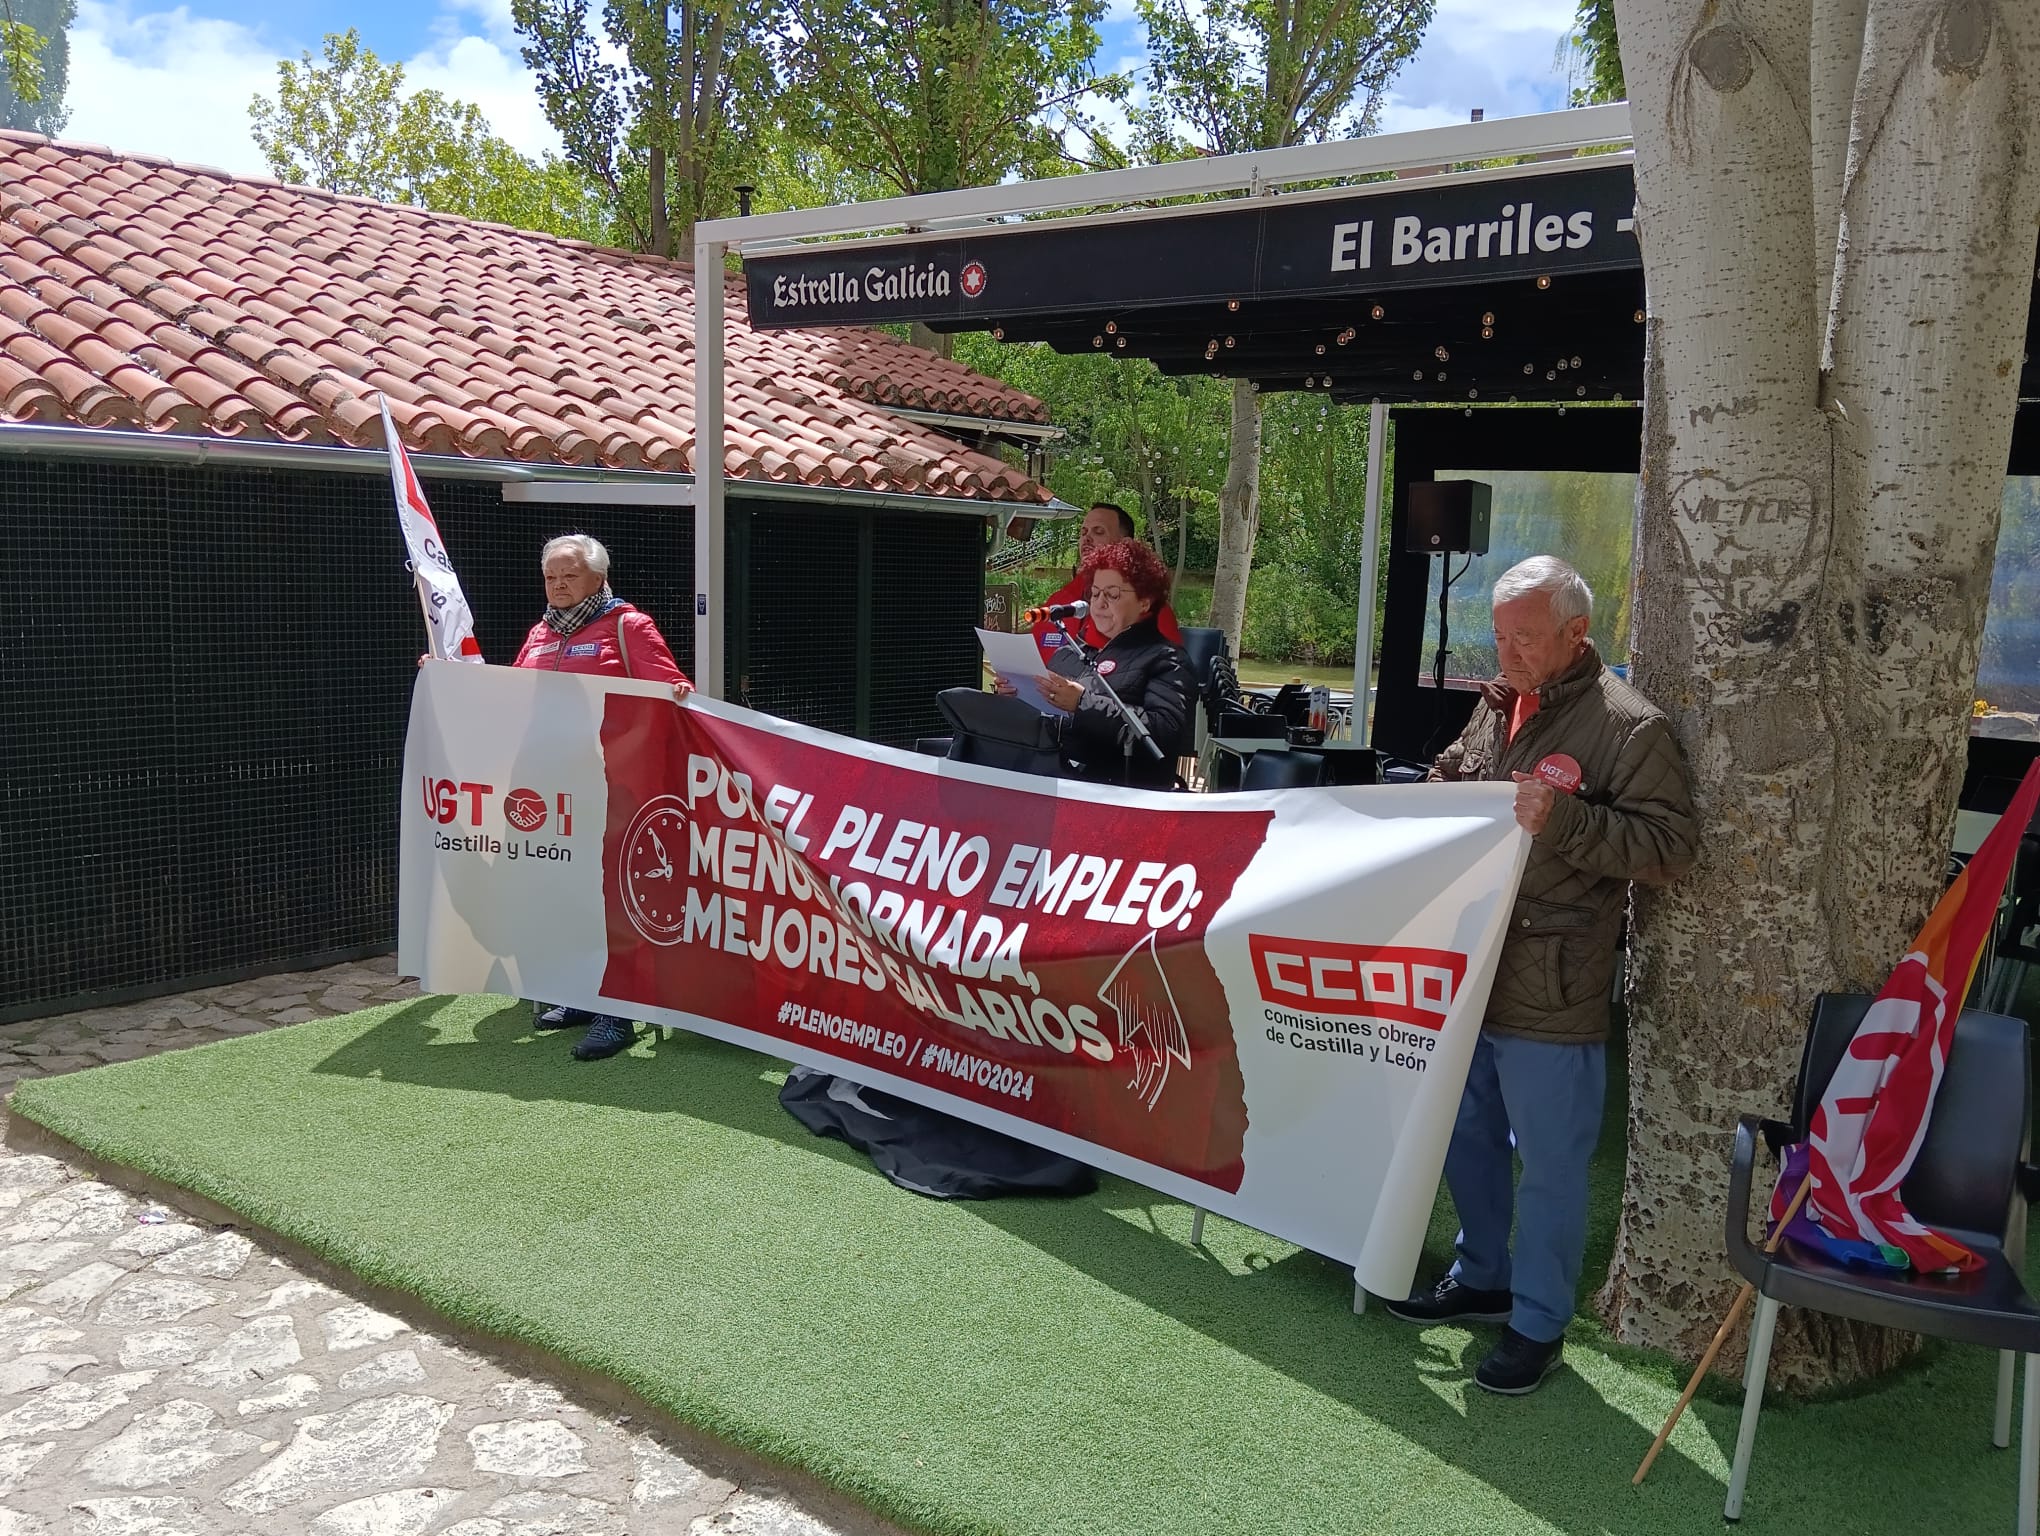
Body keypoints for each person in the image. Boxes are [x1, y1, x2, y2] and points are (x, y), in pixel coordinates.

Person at [1385, 556, 1696, 1395]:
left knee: (1553, 1163)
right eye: (1499, 635)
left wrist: (1566, 821)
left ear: (1575, 633)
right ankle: (1481, 1274)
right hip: (1470, 963)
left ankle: (1539, 1323)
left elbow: (1669, 849)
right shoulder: (1499, 706)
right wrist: (1420, 793)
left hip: (1553, 976)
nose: (1506, 652)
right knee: (1464, 1134)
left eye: (1524, 638)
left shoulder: (1630, 728)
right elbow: (1455, 780)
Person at [514, 533, 693, 1061]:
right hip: (554, 792)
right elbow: (504, 694)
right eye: (550, 576)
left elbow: (672, 690)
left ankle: (620, 1010)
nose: (558, 585)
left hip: (619, 789)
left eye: (569, 575)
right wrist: (445, 681)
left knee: (616, 899)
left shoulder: (627, 626)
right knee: (571, 895)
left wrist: (677, 693)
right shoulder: (539, 633)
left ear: (598, 578)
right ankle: (580, 996)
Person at [1005, 538, 1194, 790]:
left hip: (1120, 799)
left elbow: (1164, 734)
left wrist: (1083, 704)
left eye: (1113, 594)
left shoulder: (1166, 658)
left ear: (1144, 601)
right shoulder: (1068, 653)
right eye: (1094, 593)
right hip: (1054, 786)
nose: (1100, 603)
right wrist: (1016, 694)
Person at [1029, 503, 1182, 665]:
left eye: (1099, 531)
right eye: (1083, 532)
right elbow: (1031, 660)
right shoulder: (1059, 601)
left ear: (1125, 544)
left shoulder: (1147, 609)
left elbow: (1168, 670)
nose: (1086, 538)